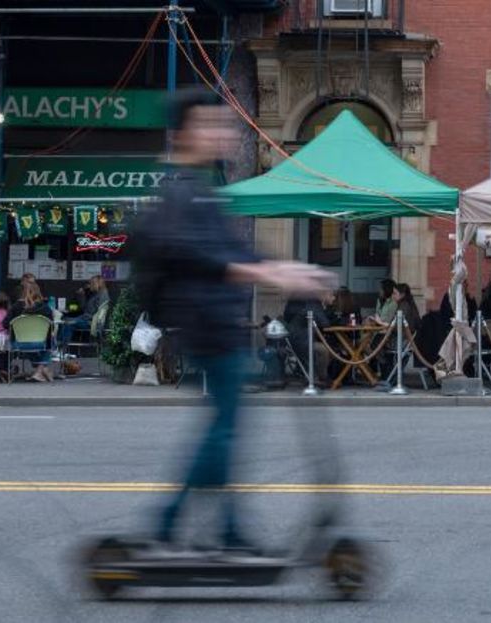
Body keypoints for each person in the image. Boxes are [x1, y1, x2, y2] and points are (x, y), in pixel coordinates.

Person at [131, 88, 333, 553]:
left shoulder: (203, 188)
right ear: (181, 134)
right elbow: (192, 255)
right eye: (209, 126)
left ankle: (208, 525)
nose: (222, 134)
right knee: (223, 429)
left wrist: (289, 268)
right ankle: (185, 523)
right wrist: (264, 271)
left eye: (224, 126)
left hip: (218, 325)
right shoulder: (179, 190)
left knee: (223, 428)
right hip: (205, 327)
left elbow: (236, 250)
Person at [3, 281, 54, 383]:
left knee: (30, 344)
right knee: (51, 340)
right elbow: (51, 327)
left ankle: (39, 370)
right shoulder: (45, 308)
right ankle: (41, 369)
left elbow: (5, 324)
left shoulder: (15, 307)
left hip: (18, 344)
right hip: (41, 344)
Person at [282, 290, 333, 384]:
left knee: (328, 348)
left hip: (300, 338)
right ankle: (322, 377)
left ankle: (319, 376)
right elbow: (325, 323)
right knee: (324, 350)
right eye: (331, 295)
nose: (334, 298)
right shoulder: (315, 304)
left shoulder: (311, 303)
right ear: (323, 295)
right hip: (302, 340)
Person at [59, 275, 110, 346]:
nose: (89, 285)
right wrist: (82, 295)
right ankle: (60, 346)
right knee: (64, 320)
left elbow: (93, 312)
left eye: (91, 283)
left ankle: (62, 348)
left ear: (96, 284)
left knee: (68, 322)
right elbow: (86, 308)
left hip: (90, 322)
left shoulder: (101, 295)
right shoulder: (96, 294)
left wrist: (79, 319)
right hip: (86, 319)